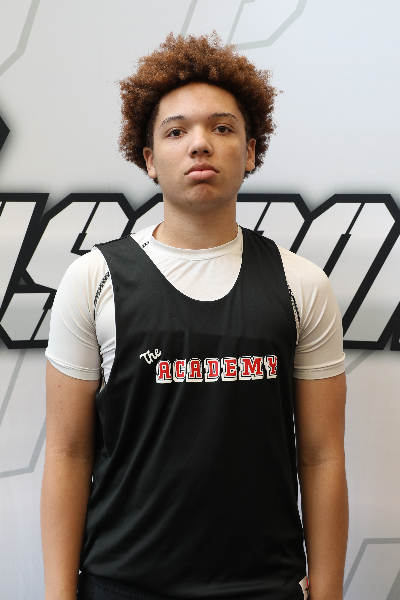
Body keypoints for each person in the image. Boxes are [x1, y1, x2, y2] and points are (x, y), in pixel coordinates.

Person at [41, 33, 348, 600]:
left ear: (250, 152)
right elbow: (68, 452)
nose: (200, 144)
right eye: (177, 131)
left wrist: (327, 592)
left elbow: (322, 455)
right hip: (122, 584)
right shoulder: (94, 279)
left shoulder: (301, 283)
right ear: (149, 159)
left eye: (222, 128)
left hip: (263, 585)